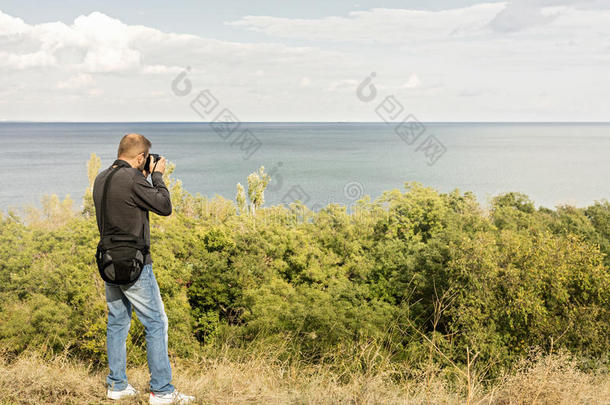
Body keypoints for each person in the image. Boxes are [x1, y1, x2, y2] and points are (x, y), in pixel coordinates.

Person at [92, 133, 195, 404]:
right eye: (145, 159)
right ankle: (161, 391)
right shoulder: (133, 179)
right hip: (136, 264)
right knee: (156, 322)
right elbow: (164, 206)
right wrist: (157, 175)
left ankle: (117, 385)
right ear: (140, 158)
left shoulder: (101, 177)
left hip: (108, 262)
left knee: (117, 322)